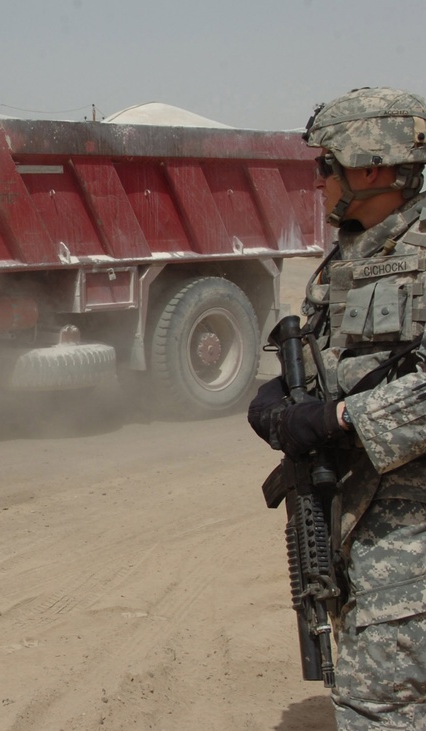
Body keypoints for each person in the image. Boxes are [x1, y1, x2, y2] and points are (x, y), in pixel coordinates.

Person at [248, 88, 426, 729]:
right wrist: (280, 402)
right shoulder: (346, 260)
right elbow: (325, 364)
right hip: (355, 519)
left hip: (412, 535)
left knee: (382, 707)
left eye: (327, 165)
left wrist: (342, 420)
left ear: (370, 167)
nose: (318, 181)